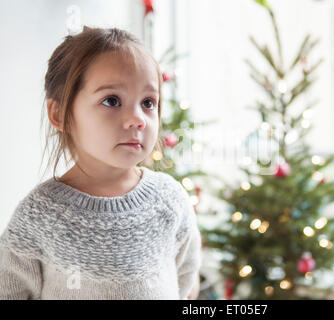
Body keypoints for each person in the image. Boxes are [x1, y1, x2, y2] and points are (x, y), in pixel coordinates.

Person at [0, 26, 202, 300]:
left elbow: (186, 284)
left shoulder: (170, 200)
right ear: (60, 114)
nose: (138, 119)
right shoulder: (38, 216)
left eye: (148, 102)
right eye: (112, 100)